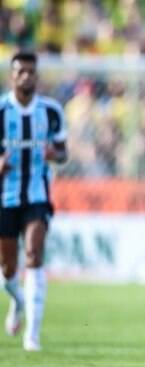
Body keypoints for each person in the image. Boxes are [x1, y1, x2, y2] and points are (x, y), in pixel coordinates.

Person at [0, 51, 68, 351]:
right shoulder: (1, 111)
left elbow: (64, 153)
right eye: (21, 71)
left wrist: (56, 155)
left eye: (31, 71)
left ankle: (33, 335)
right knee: (7, 269)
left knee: (34, 254)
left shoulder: (51, 111)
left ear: (37, 76)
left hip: (38, 195)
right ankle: (17, 302)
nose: (26, 76)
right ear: (11, 76)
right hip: (5, 196)